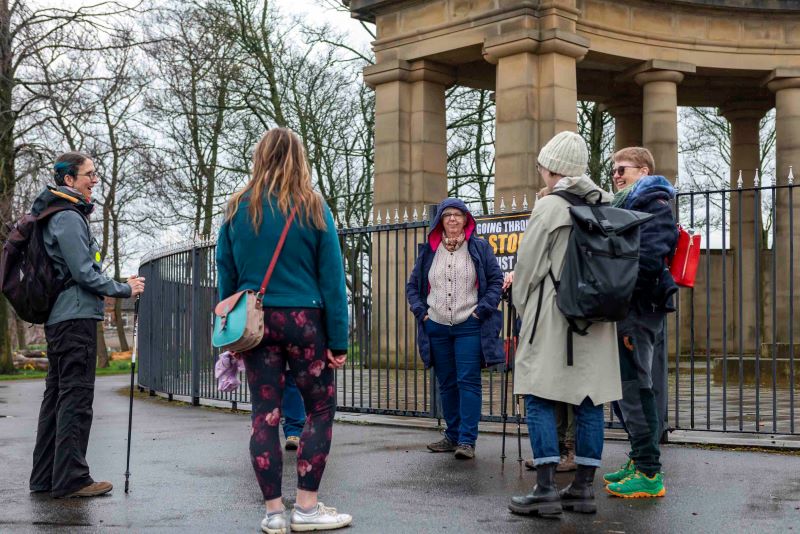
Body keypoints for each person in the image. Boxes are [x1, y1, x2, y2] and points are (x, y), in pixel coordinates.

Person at [216, 128, 352, 534]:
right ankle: (307, 508)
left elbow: (226, 272)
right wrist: (339, 339)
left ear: (260, 156)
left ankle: (274, 512)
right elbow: (332, 278)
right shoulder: (312, 205)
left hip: (257, 323)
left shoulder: (238, 207)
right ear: (299, 157)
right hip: (305, 321)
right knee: (321, 410)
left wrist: (232, 332)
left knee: (265, 416)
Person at [508, 131, 621, 517]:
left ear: (552, 168)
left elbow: (527, 269)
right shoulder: (607, 203)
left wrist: (524, 312)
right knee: (590, 400)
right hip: (599, 321)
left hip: (554, 318)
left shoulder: (551, 207)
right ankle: (584, 489)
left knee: (539, 395)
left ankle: (544, 489)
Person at [29, 152, 145, 498]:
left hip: (62, 319)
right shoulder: (68, 217)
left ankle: (45, 477)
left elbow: (80, 269)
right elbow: (83, 273)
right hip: (74, 319)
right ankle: (72, 478)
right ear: (69, 180)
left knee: (57, 399)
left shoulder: (59, 215)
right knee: (75, 399)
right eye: (89, 174)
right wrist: (124, 289)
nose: (95, 180)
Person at [602, 147, 677, 499]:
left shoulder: (654, 200)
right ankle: (639, 457)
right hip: (629, 307)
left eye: (623, 169)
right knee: (625, 384)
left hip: (638, 308)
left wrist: (625, 297)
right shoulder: (632, 201)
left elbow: (649, 256)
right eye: (614, 170)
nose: (616, 175)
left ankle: (649, 472)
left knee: (636, 384)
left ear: (643, 170)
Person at [406, 198, 504, 460]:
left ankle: (467, 440)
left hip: (468, 326)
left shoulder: (480, 248)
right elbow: (413, 287)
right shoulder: (428, 251)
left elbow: (496, 282)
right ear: (440, 220)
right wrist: (422, 313)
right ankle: (452, 434)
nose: (451, 219)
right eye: (446, 215)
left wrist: (479, 311)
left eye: (457, 215)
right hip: (436, 326)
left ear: (466, 220)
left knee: (468, 381)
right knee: (447, 383)